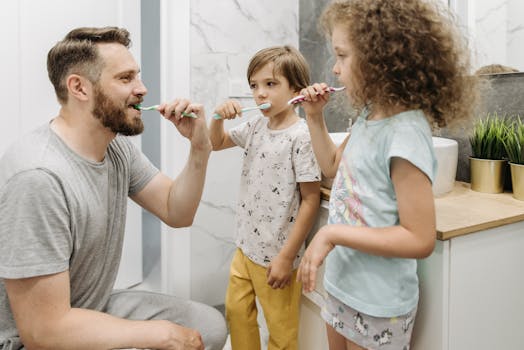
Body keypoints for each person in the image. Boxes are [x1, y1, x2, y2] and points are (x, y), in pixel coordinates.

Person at [0, 27, 227, 350]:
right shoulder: (39, 178)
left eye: (138, 76)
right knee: (170, 339)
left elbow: (177, 211)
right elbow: (42, 332)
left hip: (89, 306)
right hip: (33, 338)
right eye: (126, 79)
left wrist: (200, 148)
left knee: (209, 328)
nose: (143, 89)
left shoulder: (115, 148)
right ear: (79, 87)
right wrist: (158, 334)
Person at [296, 1, 479, 349]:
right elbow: (333, 167)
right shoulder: (369, 115)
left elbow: (419, 238)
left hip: (378, 302)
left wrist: (333, 233)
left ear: (379, 60)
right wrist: (314, 118)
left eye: (342, 56)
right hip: (342, 283)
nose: (334, 69)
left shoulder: (405, 133)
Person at [209, 45, 321, 349]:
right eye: (255, 86)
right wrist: (218, 116)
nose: (260, 94)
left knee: (281, 331)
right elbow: (215, 142)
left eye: (270, 84)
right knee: (236, 313)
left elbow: (310, 200)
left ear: (296, 90)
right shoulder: (256, 125)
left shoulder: (302, 137)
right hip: (245, 248)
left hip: (277, 256)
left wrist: (286, 257)